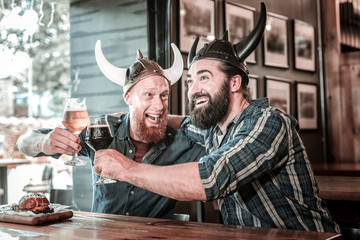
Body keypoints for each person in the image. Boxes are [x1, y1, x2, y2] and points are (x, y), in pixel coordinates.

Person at [92, 3, 340, 233]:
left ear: (234, 82)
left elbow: (210, 179)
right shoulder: (214, 130)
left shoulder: (268, 122)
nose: (193, 89)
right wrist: (138, 112)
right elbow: (182, 122)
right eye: (190, 81)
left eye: (204, 78)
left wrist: (126, 170)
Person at [16, 41, 205, 219]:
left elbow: (220, 141)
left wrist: (171, 120)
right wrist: (44, 142)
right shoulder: (103, 130)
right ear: (128, 98)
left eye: (164, 95)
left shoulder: (183, 143)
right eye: (149, 95)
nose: (160, 105)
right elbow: (23, 144)